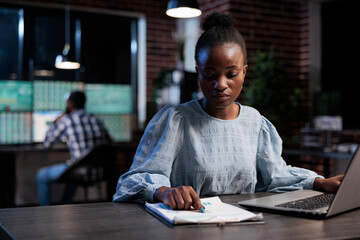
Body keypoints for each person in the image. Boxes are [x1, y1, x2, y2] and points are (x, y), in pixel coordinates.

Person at [113, 13, 344, 210]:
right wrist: (163, 192)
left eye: (231, 74)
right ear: (198, 72)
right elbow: (131, 182)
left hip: (246, 224)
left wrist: (319, 182)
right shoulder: (176, 121)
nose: (221, 84)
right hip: (189, 225)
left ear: (244, 72)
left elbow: (276, 175)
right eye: (210, 75)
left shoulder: (255, 122)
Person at [36, 90, 113, 206]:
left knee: (41, 175)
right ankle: (65, 205)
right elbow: (110, 143)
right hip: (99, 172)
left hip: (78, 172)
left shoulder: (66, 120)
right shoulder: (96, 119)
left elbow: (47, 144)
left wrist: (55, 123)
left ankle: (44, 211)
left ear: (70, 104)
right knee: (72, 169)